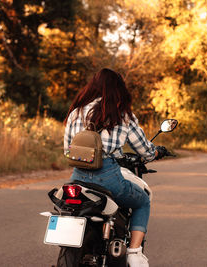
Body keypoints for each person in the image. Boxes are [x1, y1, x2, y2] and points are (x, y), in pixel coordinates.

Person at [63, 68, 167, 267]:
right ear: (119, 90)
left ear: (93, 86)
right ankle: (135, 254)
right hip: (108, 178)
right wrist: (155, 153)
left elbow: (68, 151)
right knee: (142, 201)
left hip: (77, 178)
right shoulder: (122, 115)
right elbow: (144, 150)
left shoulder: (76, 112)